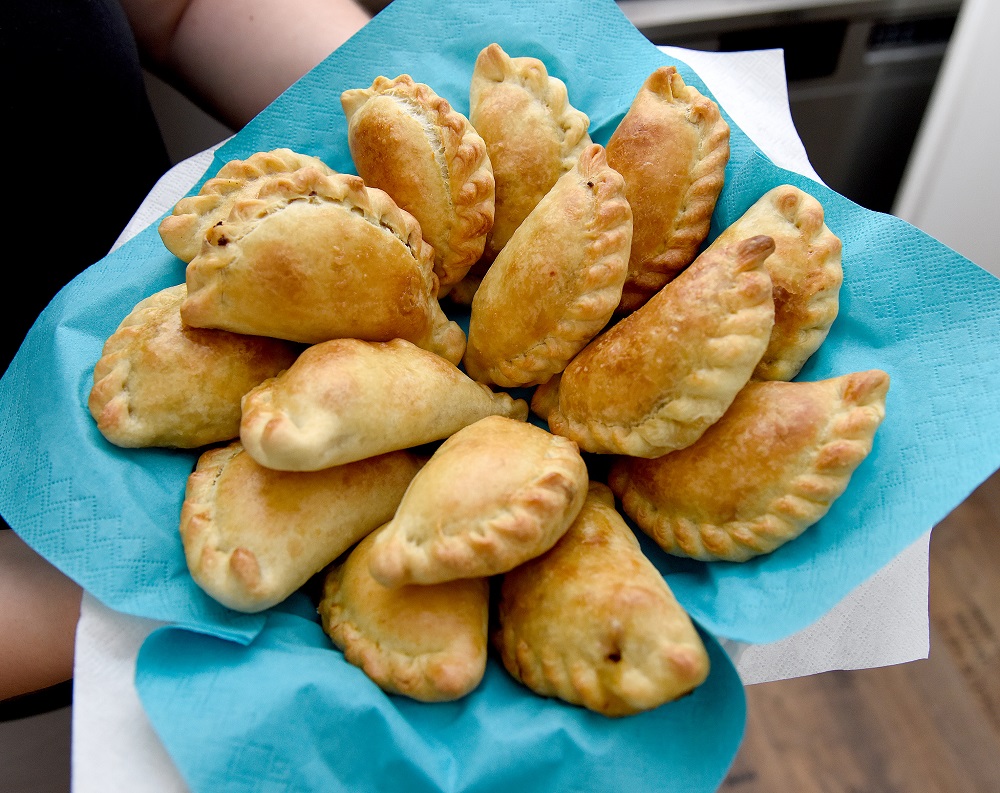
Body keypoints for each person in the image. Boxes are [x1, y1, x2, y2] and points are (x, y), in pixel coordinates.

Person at [0, 0, 372, 710]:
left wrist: (387, 106)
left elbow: (182, 11)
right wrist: (118, 567)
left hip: (245, 322)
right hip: (76, 664)